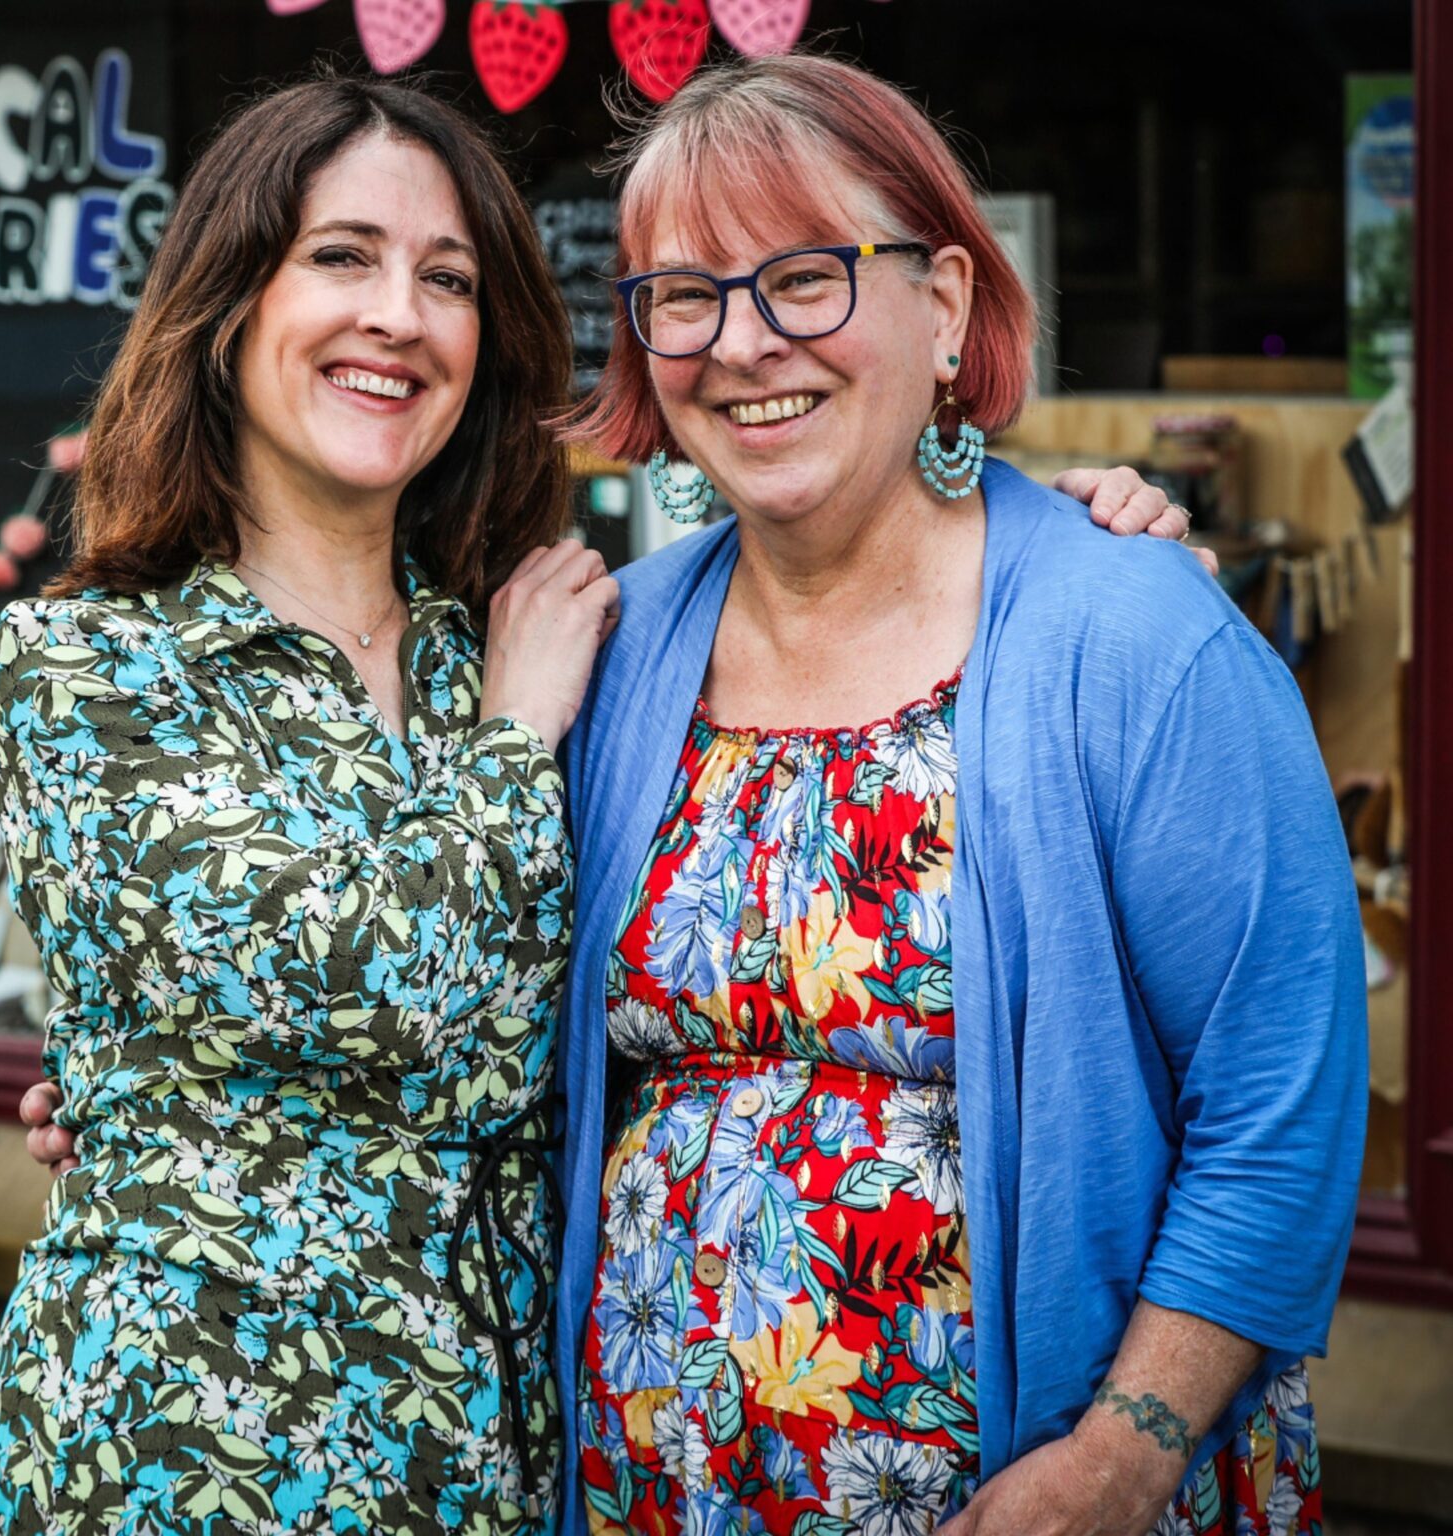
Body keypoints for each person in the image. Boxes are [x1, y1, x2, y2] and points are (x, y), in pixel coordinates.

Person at [0, 72, 1199, 1536]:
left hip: (503, 1467)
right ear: (228, 300)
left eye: (446, 279)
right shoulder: (93, 660)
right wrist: (146, 1091)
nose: (398, 314)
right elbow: (384, 989)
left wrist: (1048, 537)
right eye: (342, 257)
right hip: (194, 1451)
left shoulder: (517, 644)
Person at [553, 54, 1363, 1536]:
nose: (741, 342)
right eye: (684, 292)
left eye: (803, 278)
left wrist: (1122, 1456)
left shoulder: (1134, 635)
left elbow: (1280, 1102)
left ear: (945, 306)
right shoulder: (608, 648)